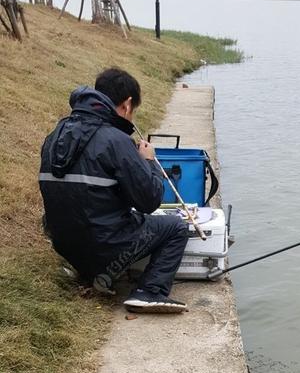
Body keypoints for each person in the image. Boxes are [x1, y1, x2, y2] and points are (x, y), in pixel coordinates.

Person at [39, 68, 189, 314]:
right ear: (127, 104)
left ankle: (86, 269)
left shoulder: (56, 134)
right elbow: (149, 201)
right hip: (104, 246)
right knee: (176, 227)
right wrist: (147, 161)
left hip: (64, 245)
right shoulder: (115, 140)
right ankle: (150, 291)